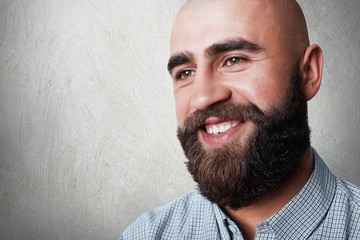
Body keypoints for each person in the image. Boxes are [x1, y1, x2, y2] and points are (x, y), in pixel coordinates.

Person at [121, 0, 360, 239]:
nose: (202, 98)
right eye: (186, 73)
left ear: (308, 73)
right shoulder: (145, 234)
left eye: (234, 60)